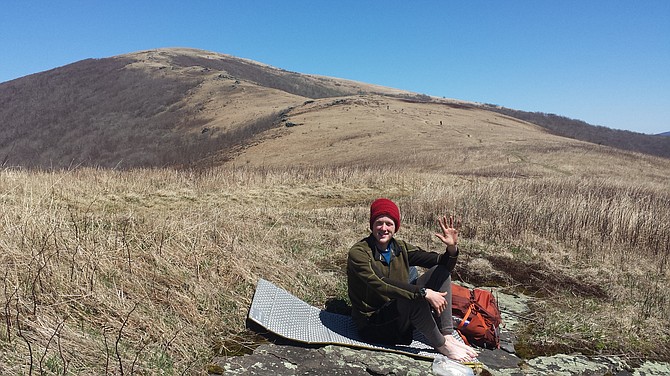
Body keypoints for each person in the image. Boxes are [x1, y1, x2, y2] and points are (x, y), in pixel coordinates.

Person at [347, 198, 478, 362]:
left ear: (395, 227)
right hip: (373, 323)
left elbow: (440, 262)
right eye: (379, 223)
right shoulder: (359, 253)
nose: (384, 228)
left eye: (389, 223)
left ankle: (447, 334)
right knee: (414, 297)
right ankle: (442, 345)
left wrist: (451, 248)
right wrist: (423, 292)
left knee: (441, 272)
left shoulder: (399, 247)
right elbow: (379, 282)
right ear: (371, 225)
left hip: (397, 312)